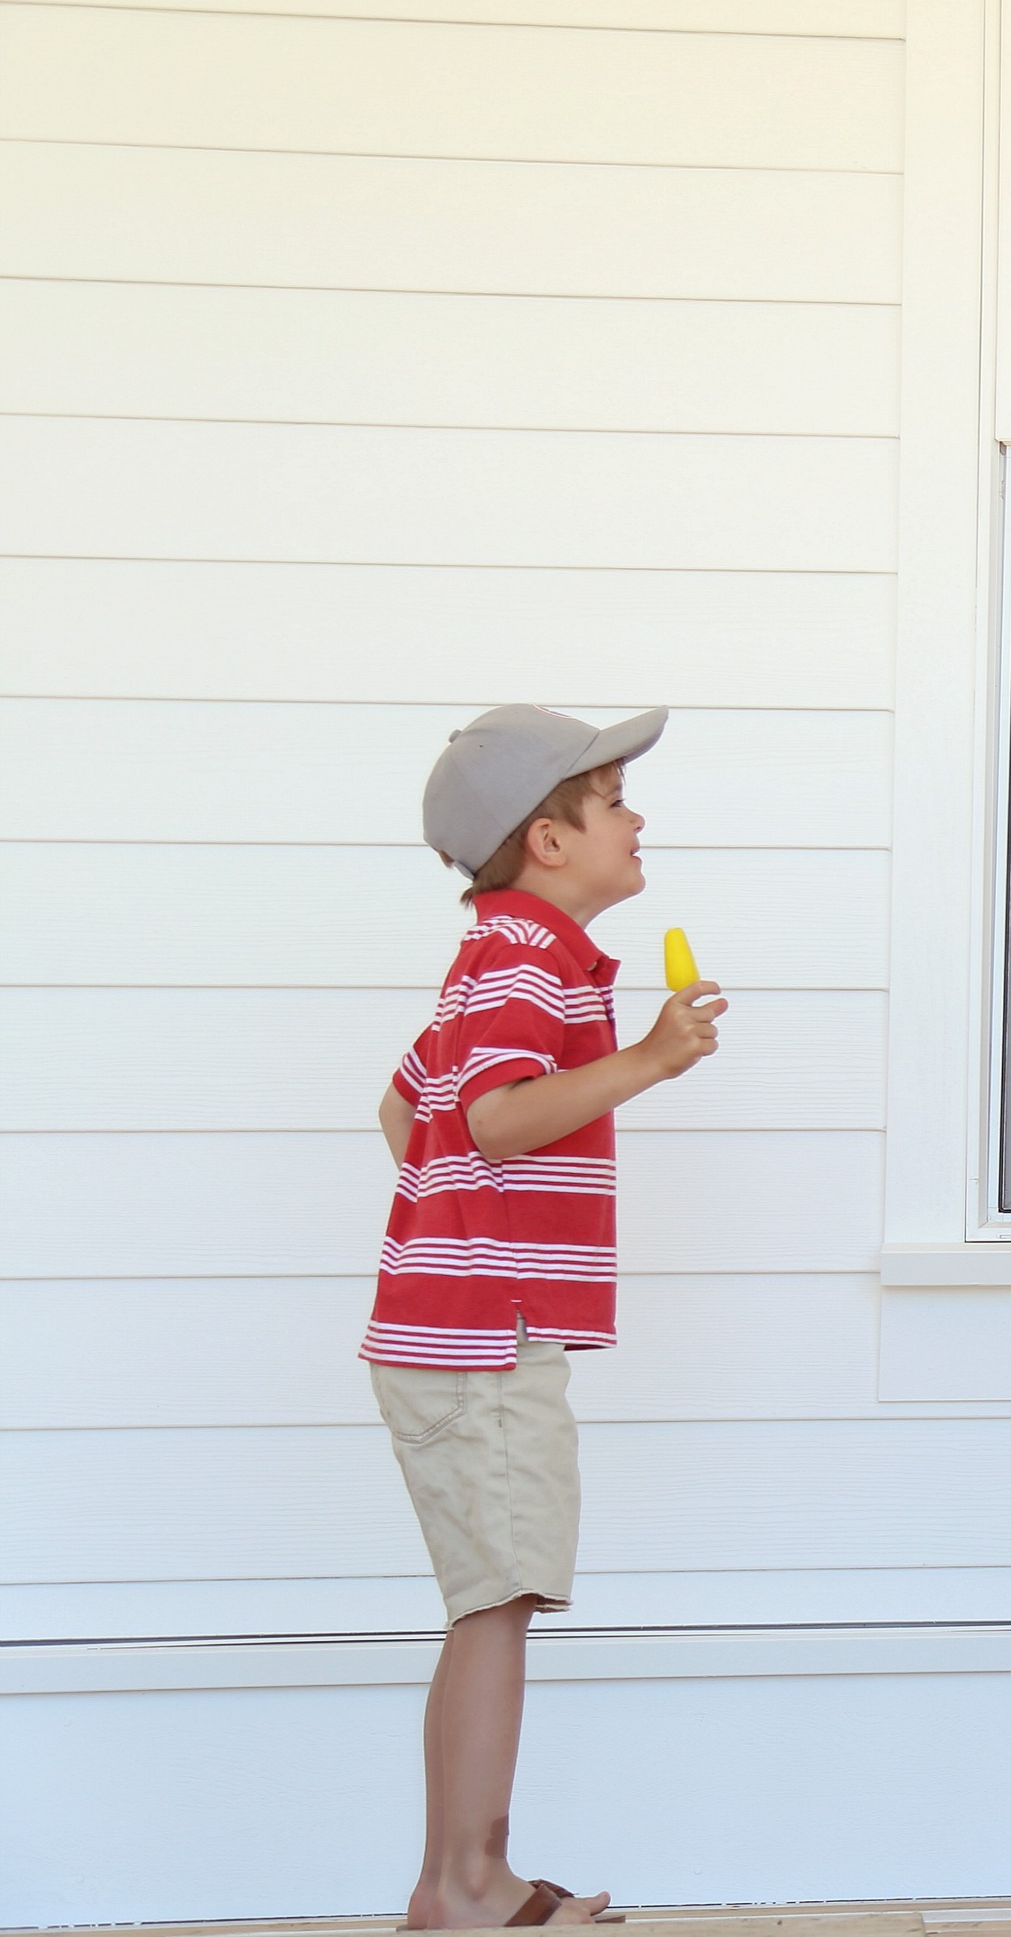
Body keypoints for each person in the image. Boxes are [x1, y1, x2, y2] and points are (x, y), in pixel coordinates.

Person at [366, 706, 725, 1928]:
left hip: (456, 1325)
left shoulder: (502, 955)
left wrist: (449, 1218)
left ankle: (461, 1878)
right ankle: (466, 1883)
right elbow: (490, 1120)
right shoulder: (525, 957)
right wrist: (649, 1060)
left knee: (491, 1596)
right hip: (480, 1335)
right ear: (548, 838)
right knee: (495, 1601)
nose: (638, 819)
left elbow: (406, 1112)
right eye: (615, 798)